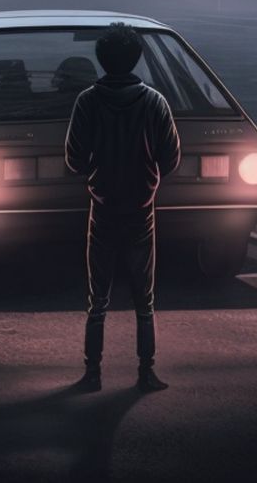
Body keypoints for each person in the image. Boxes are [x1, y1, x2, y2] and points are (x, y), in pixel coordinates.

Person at [65, 21, 181, 392]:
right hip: (141, 210)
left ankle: (92, 373)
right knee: (144, 300)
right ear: (135, 59)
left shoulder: (87, 102)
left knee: (97, 299)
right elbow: (171, 160)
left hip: (101, 209)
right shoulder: (154, 102)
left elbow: (74, 161)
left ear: (102, 60)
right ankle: (145, 372)